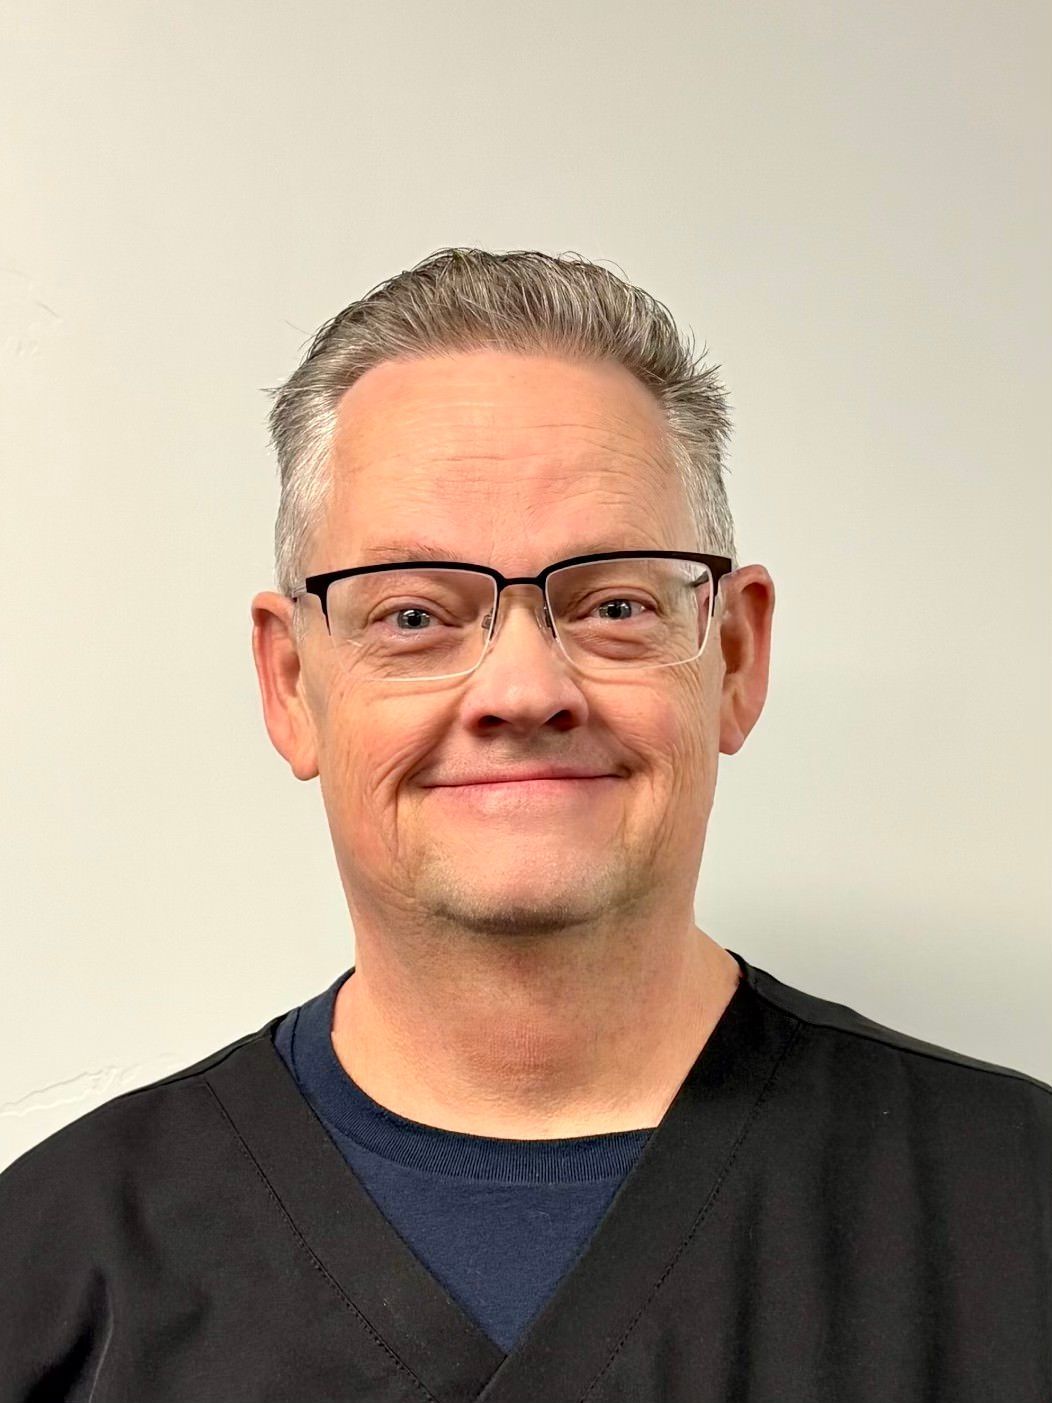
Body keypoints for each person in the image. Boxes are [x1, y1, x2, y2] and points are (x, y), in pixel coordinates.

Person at [1, 247, 1048, 1402]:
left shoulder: (1018, 1212)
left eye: (612, 603)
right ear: (290, 684)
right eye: (411, 612)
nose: (520, 687)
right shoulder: (51, 1278)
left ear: (734, 658)